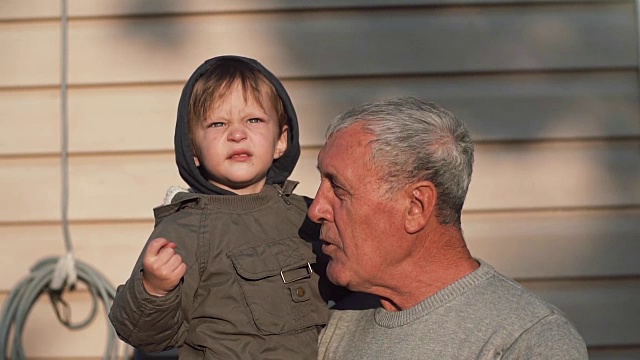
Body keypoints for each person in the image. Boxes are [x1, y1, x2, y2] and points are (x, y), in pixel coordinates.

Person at [310, 97, 589, 359]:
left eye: (338, 188)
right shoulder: (333, 317)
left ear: (415, 207)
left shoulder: (528, 342)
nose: (316, 209)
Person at [109, 55, 345, 359]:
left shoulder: (307, 214)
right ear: (193, 149)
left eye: (254, 120)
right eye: (218, 123)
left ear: (281, 140)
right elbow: (146, 336)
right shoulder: (185, 229)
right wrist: (154, 289)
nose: (237, 134)